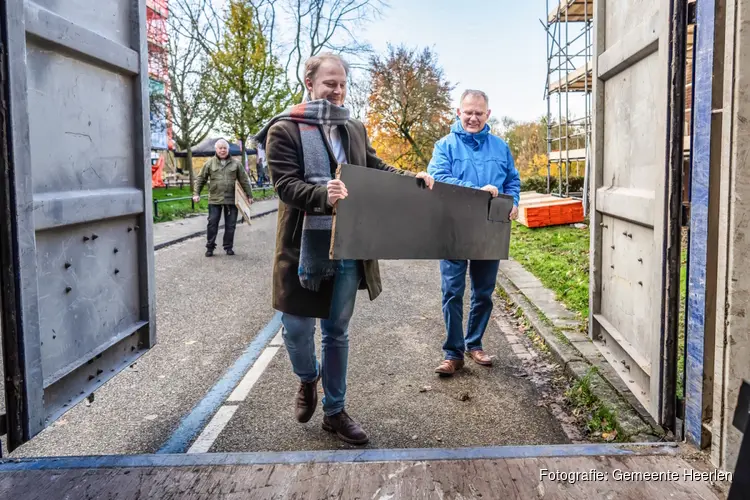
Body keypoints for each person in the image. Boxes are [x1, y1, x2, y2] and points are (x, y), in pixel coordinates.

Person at [255, 52, 434, 445]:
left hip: (350, 243)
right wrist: (323, 194)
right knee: (296, 328)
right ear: (310, 84)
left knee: (336, 332)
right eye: (329, 83)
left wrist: (412, 178)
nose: (336, 91)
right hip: (302, 247)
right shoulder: (284, 129)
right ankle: (307, 378)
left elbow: (374, 167)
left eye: (341, 84)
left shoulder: (353, 128)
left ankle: (334, 412)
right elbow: (284, 185)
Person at [427, 89, 521, 376]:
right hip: (453, 227)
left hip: (489, 229)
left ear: (488, 114)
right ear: (459, 112)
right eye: (468, 112)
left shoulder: (500, 147)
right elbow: (439, 179)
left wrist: (513, 202)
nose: (473, 117)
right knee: (452, 291)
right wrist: (476, 192)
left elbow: (512, 181)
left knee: (483, 292)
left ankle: (474, 343)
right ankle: (452, 353)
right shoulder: (445, 146)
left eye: (479, 112)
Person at [192, 139, 254, 257]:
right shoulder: (209, 163)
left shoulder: (236, 164)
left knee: (230, 225)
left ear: (228, 149)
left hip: (232, 199)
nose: (222, 150)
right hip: (215, 199)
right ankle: (210, 247)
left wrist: (249, 195)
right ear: (216, 150)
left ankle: (228, 247)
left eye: (224, 148)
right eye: (220, 148)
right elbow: (201, 179)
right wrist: (196, 193)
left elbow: (244, 180)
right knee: (212, 223)